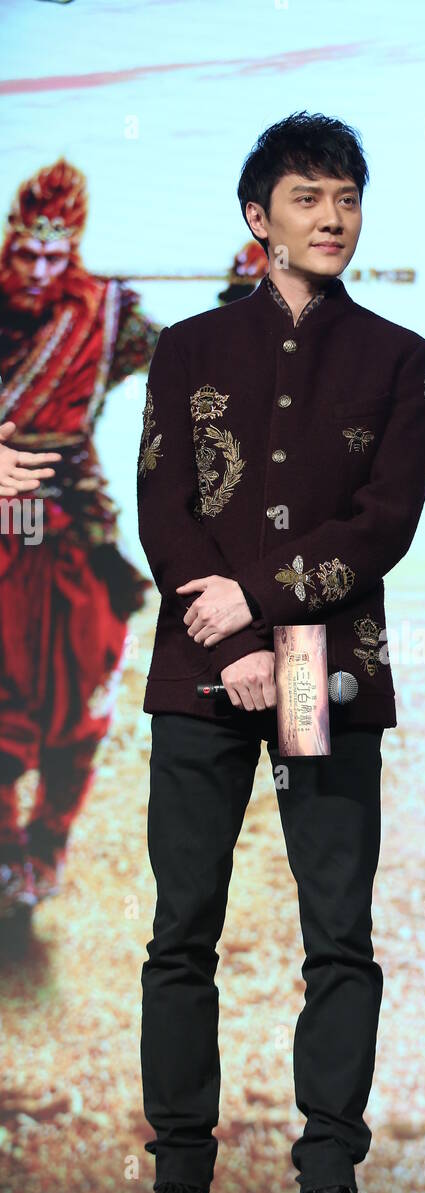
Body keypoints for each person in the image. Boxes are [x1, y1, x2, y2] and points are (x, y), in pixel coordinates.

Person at [119, 112, 425, 1193]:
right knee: (180, 931)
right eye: (308, 197)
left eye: (347, 196)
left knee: (338, 937)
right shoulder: (189, 349)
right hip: (202, 664)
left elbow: (384, 523)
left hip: (327, 665)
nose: (334, 217)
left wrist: (256, 608)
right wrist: (231, 633)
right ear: (259, 218)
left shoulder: (401, 355)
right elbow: (164, 505)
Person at [0, 159, 156, 928]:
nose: (37, 271)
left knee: (81, 701)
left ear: (75, 253)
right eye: (27, 253)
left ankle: (49, 841)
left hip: (71, 531)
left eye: (55, 258)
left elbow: (198, 363)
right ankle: (3, 849)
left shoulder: (105, 316)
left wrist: (248, 291)